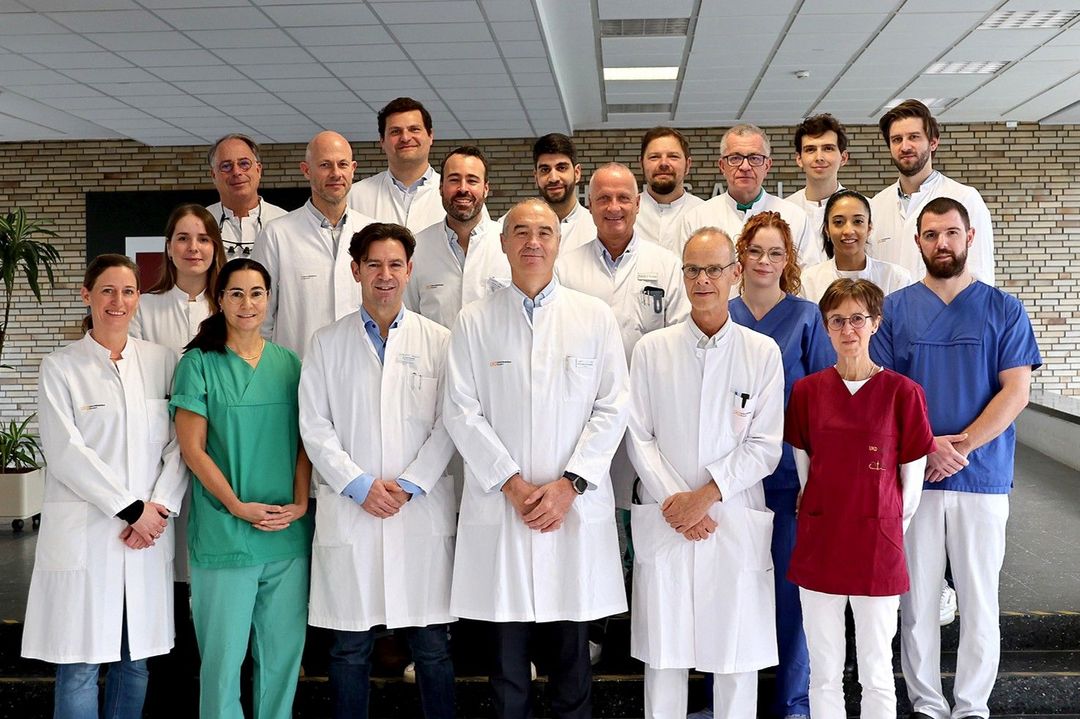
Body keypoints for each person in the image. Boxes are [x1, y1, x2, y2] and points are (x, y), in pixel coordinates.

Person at [444, 198, 629, 719]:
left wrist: (569, 485)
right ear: (502, 243)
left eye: (544, 231)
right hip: (506, 507)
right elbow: (460, 410)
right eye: (520, 232)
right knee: (507, 666)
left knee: (573, 662)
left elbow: (613, 406)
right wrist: (514, 485)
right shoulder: (474, 321)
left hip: (571, 508)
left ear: (559, 241)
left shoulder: (593, 317)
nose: (532, 242)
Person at [870, 197, 1041, 719]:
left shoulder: (1003, 308)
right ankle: (925, 701)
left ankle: (971, 705)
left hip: (981, 476)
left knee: (979, 597)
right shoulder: (894, 310)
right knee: (916, 600)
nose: (941, 243)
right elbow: (881, 392)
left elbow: (1016, 391)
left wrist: (961, 445)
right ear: (917, 242)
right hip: (913, 478)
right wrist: (925, 448)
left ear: (970, 238)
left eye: (950, 233)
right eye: (930, 234)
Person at [300, 222, 457, 719]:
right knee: (349, 649)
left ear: (409, 270)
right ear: (355, 270)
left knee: (432, 648)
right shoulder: (326, 343)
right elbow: (314, 425)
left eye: (395, 265)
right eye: (374, 265)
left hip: (419, 512)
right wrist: (359, 485)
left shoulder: (440, 340)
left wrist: (410, 484)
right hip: (354, 510)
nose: (384, 275)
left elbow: (452, 421)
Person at [626, 226, 784, 719]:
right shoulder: (652, 350)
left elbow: (765, 446)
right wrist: (680, 502)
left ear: (736, 274)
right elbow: (638, 436)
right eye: (693, 269)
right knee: (664, 655)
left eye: (714, 269)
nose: (703, 280)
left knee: (735, 653)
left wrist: (706, 495)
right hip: (669, 516)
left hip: (731, 516)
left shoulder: (761, 352)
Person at [23, 254, 186, 719]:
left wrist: (158, 507)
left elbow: (181, 444)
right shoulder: (60, 367)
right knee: (80, 664)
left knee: (136, 662)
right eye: (108, 290)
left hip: (148, 533)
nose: (118, 301)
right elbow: (65, 450)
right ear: (87, 295)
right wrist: (131, 509)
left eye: (128, 291)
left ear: (139, 298)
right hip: (89, 532)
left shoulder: (161, 362)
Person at [785, 278, 935, 719]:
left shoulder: (903, 393)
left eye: (857, 319)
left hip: (877, 543)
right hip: (821, 541)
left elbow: (912, 480)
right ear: (826, 327)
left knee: (875, 668)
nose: (848, 329)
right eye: (837, 320)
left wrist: (886, 524)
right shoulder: (808, 392)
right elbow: (805, 469)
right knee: (824, 669)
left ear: (875, 324)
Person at [172, 257, 312, 719]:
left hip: (285, 534)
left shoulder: (289, 364)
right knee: (223, 662)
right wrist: (235, 505)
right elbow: (192, 450)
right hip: (225, 533)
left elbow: (305, 443)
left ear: (269, 300)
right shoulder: (198, 364)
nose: (247, 303)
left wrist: (297, 502)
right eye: (236, 293)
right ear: (220, 299)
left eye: (256, 293)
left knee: (281, 660)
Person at [556, 161, 688, 581]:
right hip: (583, 416)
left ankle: (639, 617)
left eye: (624, 198)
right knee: (593, 518)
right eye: (604, 199)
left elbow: (679, 340)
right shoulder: (565, 266)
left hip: (648, 415)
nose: (614, 207)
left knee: (642, 515)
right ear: (589, 205)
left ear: (638, 203)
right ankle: (597, 627)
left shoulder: (666, 265)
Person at [728, 211, 835, 719]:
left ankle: (794, 701)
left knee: (792, 594)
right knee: (731, 590)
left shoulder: (807, 317)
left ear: (788, 259)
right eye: (755, 251)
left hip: (789, 480)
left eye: (776, 252)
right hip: (727, 478)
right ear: (739, 256)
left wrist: (816, 480)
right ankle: (725, 698)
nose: (764, 261)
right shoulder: (720, 312)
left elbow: (823, 404)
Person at [253, 130, 375, 359]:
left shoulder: (373, 233)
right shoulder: (277, 234)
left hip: (361, 367)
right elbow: (261, 317)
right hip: (296, 371)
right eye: (325, 165)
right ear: (306, 170)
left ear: (353, 169)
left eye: (343, 164)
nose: (336, 173)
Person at [869, 99, 995, 285]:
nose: (904, 147)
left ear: (933, 142)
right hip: (889, 313)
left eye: (914, 137)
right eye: (897, 139)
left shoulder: (965, 198)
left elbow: (980, 277)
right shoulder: (876, 206)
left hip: (948, 312)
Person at [680, 124, 820, 266]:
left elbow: (808, 277)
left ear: (767, 166)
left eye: (754, 158)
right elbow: (686, 274)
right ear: (722, 166)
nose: (745, 167)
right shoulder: (696, 218)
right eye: (735, 158)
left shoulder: (794, 216)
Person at [405, 145, 511, 329]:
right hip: (436, 357)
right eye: (454, 180)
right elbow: (408, 319)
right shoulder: (416, 248)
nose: (463, 189)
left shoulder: (510, 244)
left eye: (472, 180)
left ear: (486, 189)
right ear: (440, 188)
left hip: (494, 356)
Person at [131, 204, 227, 355]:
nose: (193, 247)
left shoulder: (231, 308)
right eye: (183, 238)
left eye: (203, 239)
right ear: (169, 247)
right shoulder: (142, 308)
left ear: (215, 248)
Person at [348, 97, 445, 233]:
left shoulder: (455, 195)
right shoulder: (355, 196)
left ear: (430, 136)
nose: (405, 138)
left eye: (414, 129)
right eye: (395, 131)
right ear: (382, 140)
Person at [801, 190, 912, 303]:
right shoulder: (809, 281)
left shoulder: (896, 278)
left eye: (858, 221)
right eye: (838, 222)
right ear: (827, 230)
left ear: (869, 228)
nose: (848, 231)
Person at [204, 134, 288, 256]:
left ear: (258, 170)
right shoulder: (201, 223)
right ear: (213, 176)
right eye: (226, 166)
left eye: (244, 164)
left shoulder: (284, 223)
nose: (236, 172)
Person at [520, 133, 594, 254]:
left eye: (561, 168)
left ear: (577, 173)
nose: (553, 178)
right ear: (536, 176)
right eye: (545, 170)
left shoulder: (596, 228)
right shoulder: (512, 226)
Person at [634, 126, 704, 254]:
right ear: (641, 165)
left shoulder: (704, 213)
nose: (664, 163)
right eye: (654, 157)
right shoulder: (626, 213)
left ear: (688, 165)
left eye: (673, 156)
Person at [787, 114, 849, 246]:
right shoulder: (784, 211)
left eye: (828, 148)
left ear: (843, 158)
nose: (819, 157)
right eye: (810, 149)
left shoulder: (866, 209)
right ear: (799, 159)